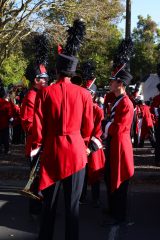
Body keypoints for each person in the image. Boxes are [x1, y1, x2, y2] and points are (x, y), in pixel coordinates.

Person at [31, 19, 93, 240]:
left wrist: (39, 146)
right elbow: (88, 127)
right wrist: (84, 144)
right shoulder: (85, 94)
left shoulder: (45, 93)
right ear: (73, 71)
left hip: (53, 152)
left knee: (49, 205)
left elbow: (38, 126)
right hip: (76, 152)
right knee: (72, 208)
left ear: (57, 70)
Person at [20, 34, 49, 215]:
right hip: (36, 143)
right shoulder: (31, 96)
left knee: (41, 178)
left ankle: (39, 205)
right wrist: (41, 135)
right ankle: (35, 208)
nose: (46, 81)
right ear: (36, 79)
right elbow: (27, 122)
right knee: (35, 178)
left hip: (42, 140)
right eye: (43, 78)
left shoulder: (42, 95)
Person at [104, 67, 134, 224]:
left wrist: (104, 125)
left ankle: (119, 216)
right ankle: (113, 209)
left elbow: (119, 128)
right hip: (114, 144)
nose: (110, 83)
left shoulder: (126, 103)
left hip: (120, 147)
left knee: (119, 180)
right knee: (109, 178)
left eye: (112, 80)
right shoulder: (117, 99)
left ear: (120, 83)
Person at [0, 81, 13, 154]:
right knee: (5, 137)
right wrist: (11, 120)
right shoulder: (6, 103)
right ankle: (6, 150)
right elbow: (9, 114)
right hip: (4, 123)